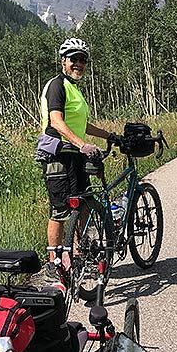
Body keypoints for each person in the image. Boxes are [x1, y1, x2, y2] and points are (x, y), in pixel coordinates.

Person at [38, 38, 115, 279]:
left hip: (77, 157)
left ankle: (80, 257)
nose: (79, 64)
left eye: (83, 60)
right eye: (74, 59)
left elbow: (82, 124)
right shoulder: (57, 85)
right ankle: (54, 263)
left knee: (83, 206)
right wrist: (82, 144)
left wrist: (110, 135)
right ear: (63, 61)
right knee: (60, 210)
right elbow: (56, 122)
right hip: (59, 155)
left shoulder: (75, 89)